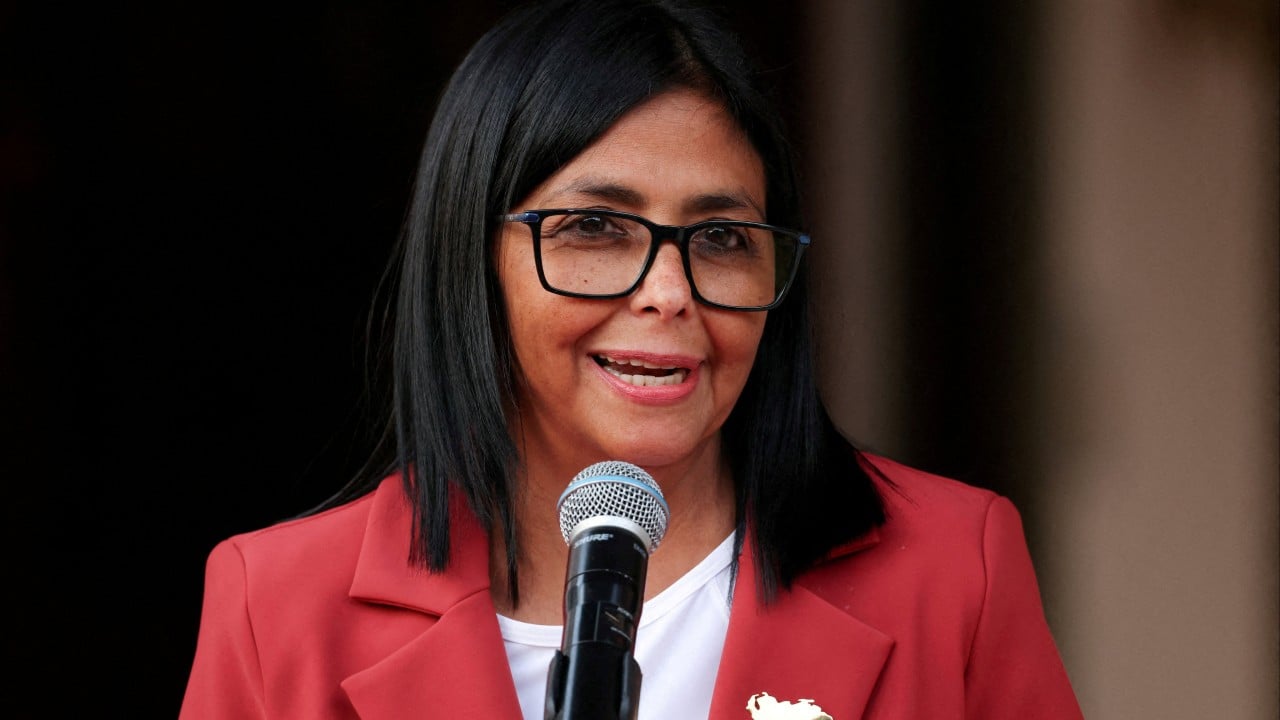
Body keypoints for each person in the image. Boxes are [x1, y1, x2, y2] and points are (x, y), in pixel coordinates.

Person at [179, 1, 1084, 718]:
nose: (669, 293)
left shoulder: (952, 569)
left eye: (722, 237)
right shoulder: (277, 608)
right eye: (595, 228)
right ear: (472, 259)